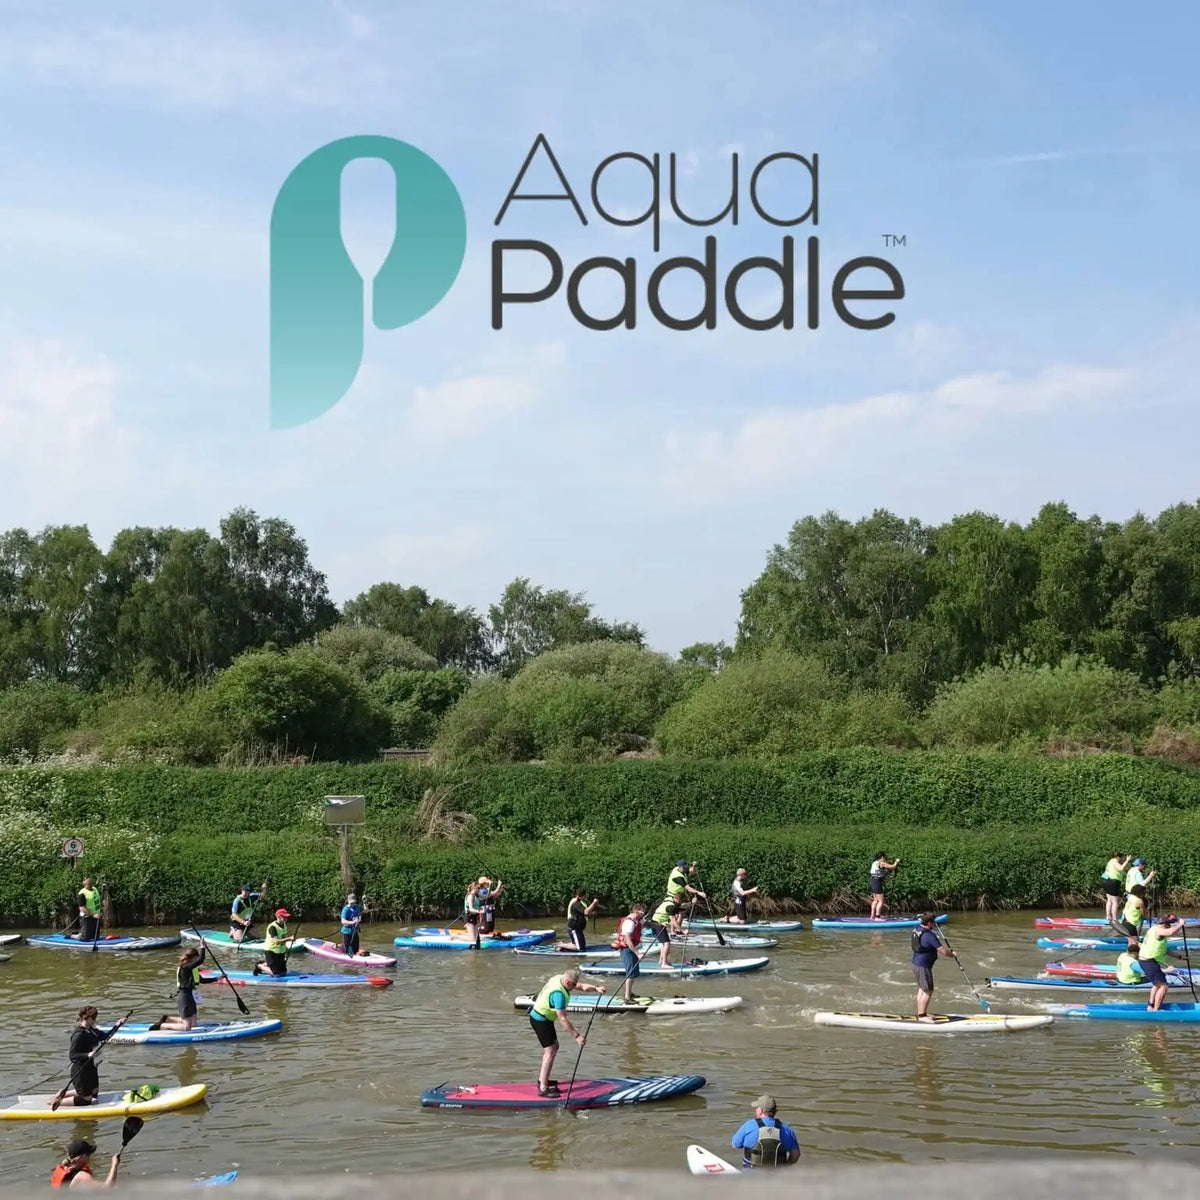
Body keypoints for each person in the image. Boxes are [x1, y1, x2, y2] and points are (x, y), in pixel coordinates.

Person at [528, 967, 606, 1097]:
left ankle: (543, 1079)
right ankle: (542, 1088)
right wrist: (577, 1036)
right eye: (573, 985)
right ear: (568, 982)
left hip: (545, 1018)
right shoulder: (558, 995)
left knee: (555, 1047)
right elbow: (563, 1020)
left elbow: (582, 986)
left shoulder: (560, 978)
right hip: (540, 1020)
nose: (575, 987)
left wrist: (596, 988)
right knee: (550, 1050)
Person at [57, 1007, 127, 1108]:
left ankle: (63, 1094)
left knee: (94, 1093)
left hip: (91, 1067)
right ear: (87, 1018)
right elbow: (72, 1056)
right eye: (94, 1017)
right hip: (81, 1070)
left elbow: (106, 1037)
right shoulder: (79, 1034)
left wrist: (118, 1025)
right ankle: (57, 1102)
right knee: (86, 1100)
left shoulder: (92, 1030)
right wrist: (88, 1054)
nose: (95, 1020)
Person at [145, 946, 208, 1032]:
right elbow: (201, 959)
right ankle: (162, 1026)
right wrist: (202, 946)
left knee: (193, 1024)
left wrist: (217, 978)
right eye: (195, 958)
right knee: (187, 1028)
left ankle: (168, 1018)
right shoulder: (185, 967)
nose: (196, 961)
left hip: (190, 995)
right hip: (184, 997)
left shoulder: (191, 969)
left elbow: (201, 979)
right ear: (192, 958)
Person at [730, 1094, 801, 1167]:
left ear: (760, 1111)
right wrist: (785, 1166)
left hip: (751, 1174)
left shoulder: (749, 1125)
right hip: (778, 1175)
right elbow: (796, 1155)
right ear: (775, 1111)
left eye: (757, 1108)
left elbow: (735, 1145)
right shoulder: (787, 1129)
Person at [1138, 914, 1188, 1011]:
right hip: (1149, 961)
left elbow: (1165, 950)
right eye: (1169, 924)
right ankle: (1156, 1010)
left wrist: (1179, 956)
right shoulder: (1159, 930)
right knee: (1164, 986)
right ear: (1165, 924)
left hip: (1147, 961)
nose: (1170, 926)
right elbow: (1171, 932)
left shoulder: (1154, 929)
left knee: (1157, 985)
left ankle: (1150, 1006)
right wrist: (1180, 924)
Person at [911, 912, 956, 1021]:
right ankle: (922, 1016)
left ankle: (921, 1012)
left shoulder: (917, 930)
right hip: (923, 966)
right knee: (928, 990)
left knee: (922, 989)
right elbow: (943, 952)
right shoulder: (929, 935)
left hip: (916, 964)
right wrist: (952, 954)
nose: (935, 925)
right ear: (929, 923)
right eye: (934, 923)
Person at [51, 1137, 120, 1189]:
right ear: (83, 1156)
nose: (90, 1157)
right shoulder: (81, 1176)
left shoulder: (63, 1167)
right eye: (89, 1154)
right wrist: (114, 1164)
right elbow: (107, 1188)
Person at [614, 901, 647, 1001]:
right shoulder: (629, 922)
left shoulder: (637, 920)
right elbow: (627, 939)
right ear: (637, 911)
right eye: (642, 913)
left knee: (634, 973)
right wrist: (637, 953)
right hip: (627, 950)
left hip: (631, 949)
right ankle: (627, 996)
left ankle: (630, 993)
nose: (643, 915)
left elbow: (648, 924)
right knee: (631, 973)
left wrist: (660, 925)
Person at [252, 909, 292, 976]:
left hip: (280, 951)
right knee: (276, 974)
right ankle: (259, 965)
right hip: (271, 951)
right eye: (284, 917)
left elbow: (283, 937)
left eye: (286, 917)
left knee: (283, 972)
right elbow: (276, 941)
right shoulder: (272, 927)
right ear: (278, 917)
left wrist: (286, 948)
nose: (286, 918)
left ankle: (266, 963)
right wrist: (289, 938)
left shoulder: (284, 925)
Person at [1100, 854, 1131, 926]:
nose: (1122, 860)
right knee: (1115, 901)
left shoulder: (1110, 861)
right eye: (1122, 858)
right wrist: (1127, 861)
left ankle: (1108, 916)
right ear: (1118, 857)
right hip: (1112, 882)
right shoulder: (1115, 862)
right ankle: (1115, 919)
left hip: (1106, 880)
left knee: (1109, 900)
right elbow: (1120, 869)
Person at [649, 896, 678, 968]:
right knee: (667, 943)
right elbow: (673, 921)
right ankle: (664, 963)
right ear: (677, 898)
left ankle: (661, 961)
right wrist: (682, 930)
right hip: (658, 923)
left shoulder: (668, 900)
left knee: (663, 944)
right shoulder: (671, 906)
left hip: (657, 922)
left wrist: (691, 903)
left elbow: (682, 906)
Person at [868, 853, 900, 919]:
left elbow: (879, 872)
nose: (885, 859)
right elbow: (893, 867)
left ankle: (872, 916)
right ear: (882, 857)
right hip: (876, 882)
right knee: (881, 901)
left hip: (872, 881)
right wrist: (896, 861)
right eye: (885, 858)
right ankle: (877, 917)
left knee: (875, 900)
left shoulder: (874, 863)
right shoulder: (881, 863)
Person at [76, 878, 101, 942]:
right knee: (85, 938)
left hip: (96, 916)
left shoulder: (95, 889)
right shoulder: (82, 893)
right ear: (85, 884)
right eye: (89, 884)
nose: (90, 885)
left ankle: (81, 934)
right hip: (86, 917)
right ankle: (74, 936)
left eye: (91, 883)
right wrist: (93, 915)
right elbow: (81, 908)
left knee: (95, 936)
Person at [463, 881, 483, 949]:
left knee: (477, 938)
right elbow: (471, 909)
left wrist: (498, 887)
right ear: (474, 888)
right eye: (478, 889)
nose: (479, 890)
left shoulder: (477, 896)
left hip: (475, 917)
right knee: (472, 939)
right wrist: (480, 911)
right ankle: (471, 955)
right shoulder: (470, 896)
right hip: (469, 917)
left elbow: (488, 896)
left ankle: (477, 953)